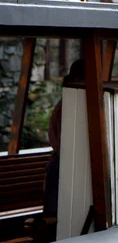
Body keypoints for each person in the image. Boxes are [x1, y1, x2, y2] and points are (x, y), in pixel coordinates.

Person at [44, 59, 85, 218]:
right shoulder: (68, 107)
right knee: (58, 216)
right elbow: (67, 143)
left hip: (65, 165)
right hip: (63, 166)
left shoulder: (71, 104)